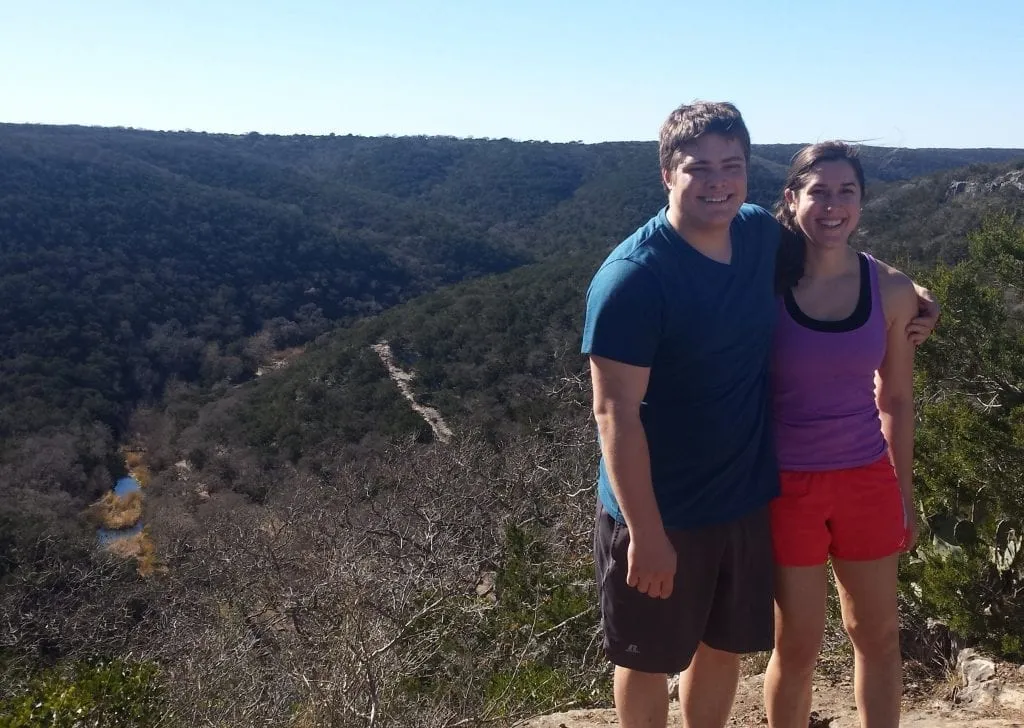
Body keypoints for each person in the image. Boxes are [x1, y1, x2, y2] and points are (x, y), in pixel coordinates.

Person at [582, 103, 937, 728]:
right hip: (662, 505)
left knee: (721, 649)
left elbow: (833, 246)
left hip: (743, 498)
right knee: (648, 656)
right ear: (667, 173)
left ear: (748, 173)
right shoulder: (632, 279)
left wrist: (915, 299)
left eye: (732, 165)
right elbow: (614, 413)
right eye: (699, 168)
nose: (718, 181)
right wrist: (645, 531)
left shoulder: (754, 235)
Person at [763, 142, 918, 728]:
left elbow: (896, 399)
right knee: (798, 645)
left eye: (845, 192)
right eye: (818, 192)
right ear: (792, 199)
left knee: (876, 634)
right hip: (786, 486)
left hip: (866, 480)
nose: (832, 206)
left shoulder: (893, 290)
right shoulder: (766, 285)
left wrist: (903, 491)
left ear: (861, 201)